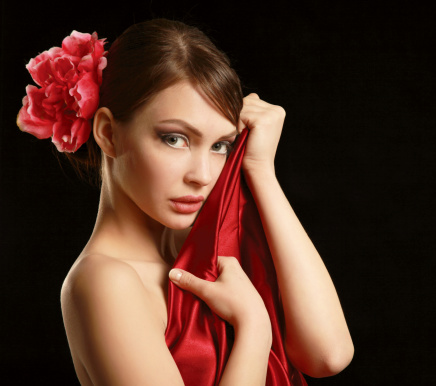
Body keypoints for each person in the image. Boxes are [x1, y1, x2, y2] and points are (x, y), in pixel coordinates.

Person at [18, 19, 354, 385]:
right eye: (175, 139)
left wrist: (260, 169)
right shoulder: (103, 280)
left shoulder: (211, 243)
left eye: (220, 145)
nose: (203, 175)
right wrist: (254, 329)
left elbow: (328, 355)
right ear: (108, 133)